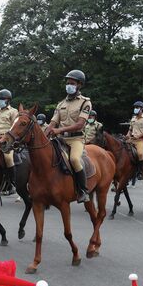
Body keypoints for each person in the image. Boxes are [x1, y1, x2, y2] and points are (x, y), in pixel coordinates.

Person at [46, 69, 92, 202]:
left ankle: (83, 191)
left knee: (74, 160)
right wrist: (45, 135)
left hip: (76, 139)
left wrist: (59, 130)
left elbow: (80, 124)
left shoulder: (85, 102)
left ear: (79, 85)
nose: (68, 85)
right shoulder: (61, 103)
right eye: (67, 83)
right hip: (60, 139)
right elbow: (52, 123)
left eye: (72, 83)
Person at [126, 101, 143, 186]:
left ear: (141, 109)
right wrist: (127, 135)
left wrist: (139, 136)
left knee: (140, 153)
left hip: (140, 140)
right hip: (131, 139)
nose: (135, 109)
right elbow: (130, 130)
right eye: (135, 107)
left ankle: (140, 172)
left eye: (137, 107)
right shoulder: (133, 118)